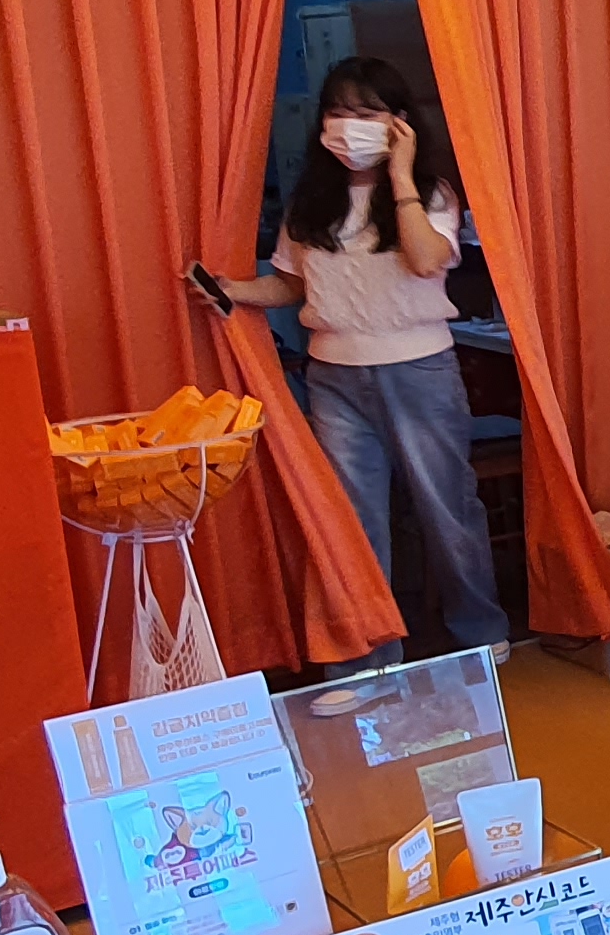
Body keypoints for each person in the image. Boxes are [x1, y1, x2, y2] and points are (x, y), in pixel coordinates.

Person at [199, 58, 511, 657]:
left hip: (419, 367)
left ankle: (481, 634)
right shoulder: (312, 202)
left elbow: (427, 260)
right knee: (351, 519)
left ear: (399, 123)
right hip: (333, 374)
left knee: (446, 506)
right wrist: (233, 291)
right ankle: (365, 656)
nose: (349, 125)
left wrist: (401, 175)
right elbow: (292, 285)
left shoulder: (430, 193)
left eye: (366, 113)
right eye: (338, 112)